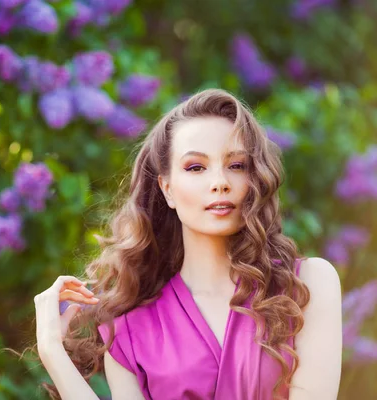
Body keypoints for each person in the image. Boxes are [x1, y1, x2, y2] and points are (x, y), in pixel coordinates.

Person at [33, 89, 342, 400]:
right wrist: (51, 350)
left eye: (236, 165)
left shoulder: (307, 285)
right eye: (196, 167)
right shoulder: (129, 325)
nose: (220, 181)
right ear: (167, 188)